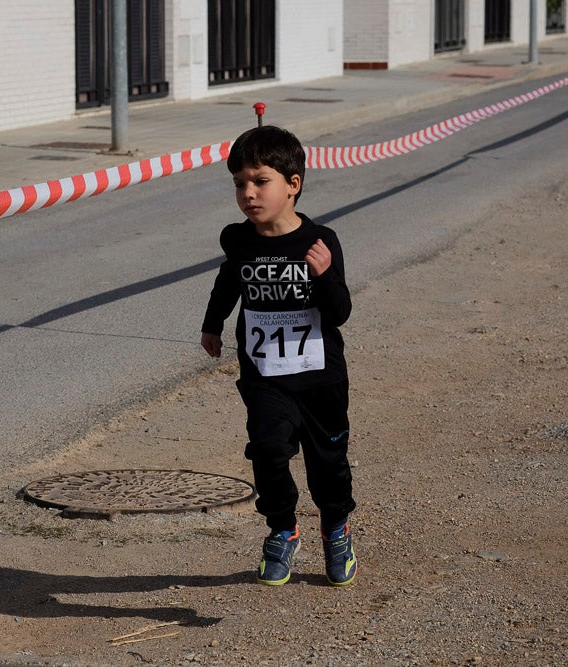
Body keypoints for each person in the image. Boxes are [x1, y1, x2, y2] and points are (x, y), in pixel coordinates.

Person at [200, 125, 358, 586]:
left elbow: (340, 312)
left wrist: (325, 276)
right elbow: (229, 281)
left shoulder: (319, 241)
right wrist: (214, 323)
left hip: (320, 378)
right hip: (264, 375)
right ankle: (283, 531)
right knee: (268, 450)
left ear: (293, 184)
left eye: (260, 181)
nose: (248, 193)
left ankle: (336, 530)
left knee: (327, 463)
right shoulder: (238, 239)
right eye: (238, 183)